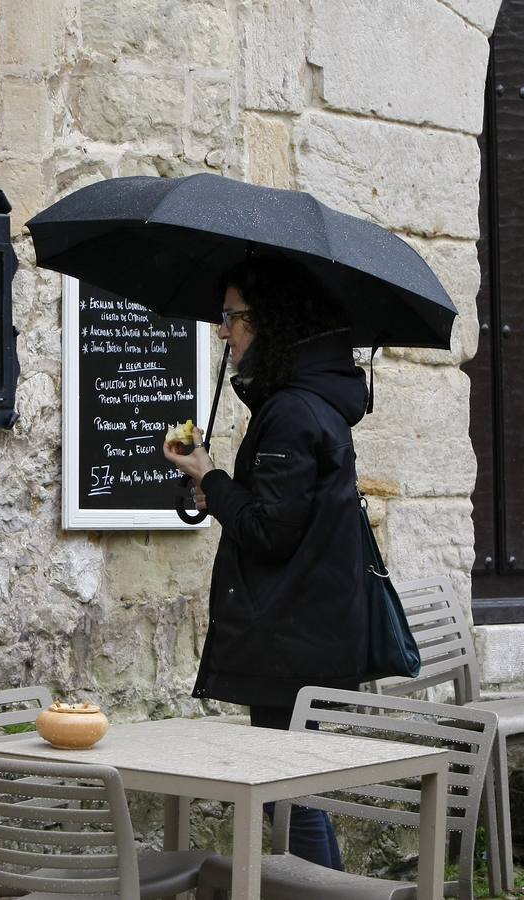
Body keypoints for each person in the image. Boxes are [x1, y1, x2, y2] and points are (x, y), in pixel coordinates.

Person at [162, 255, 371, 870]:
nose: (222, 330)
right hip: (304, 625)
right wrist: (221, 486)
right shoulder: (301, 403)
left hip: (290, 633)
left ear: (267, 321)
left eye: (231, 317)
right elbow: (279, 512)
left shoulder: (291, 412)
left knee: (291, 795)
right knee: (294, 792)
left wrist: (209, 476)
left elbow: (268, 532)